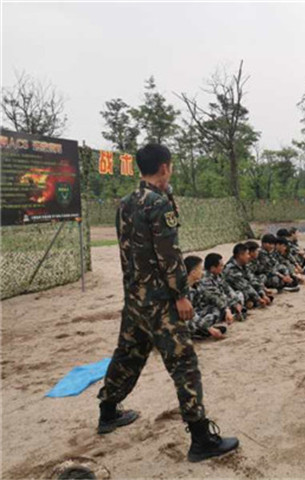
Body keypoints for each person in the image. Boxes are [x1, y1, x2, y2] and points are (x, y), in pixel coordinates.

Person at [96, 143, 238, 463]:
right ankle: (201, 438)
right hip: (160, 301)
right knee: (184, 363)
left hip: (135, 297)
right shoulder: (159, 204)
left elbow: (126, 253)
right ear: (164, 167)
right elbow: (170, 256)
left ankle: (107, 411)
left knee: (128, 355)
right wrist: (181, 295)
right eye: (170, 166)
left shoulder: (125, 203)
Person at [183, 256, 227, 340]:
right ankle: (201, 330)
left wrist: (225, 309)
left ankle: (202, 330)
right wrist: (209, 328)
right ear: (193, 272)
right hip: (184, 317)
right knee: (189, 324)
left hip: (195, 313)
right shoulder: (183, 290)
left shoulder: (197, 284)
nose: (203, 272)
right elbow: (191, 314)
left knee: (215, 309)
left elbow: (211, 296)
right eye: (200, 269)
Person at [224, 243, 269, 309]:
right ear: (240, 255)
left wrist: (262, 292)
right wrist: (259, 298)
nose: (249, 256)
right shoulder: (231, 269)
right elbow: (244, 286)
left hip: (242, 288)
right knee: (241, 294)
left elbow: (252, 279)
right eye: (247, 254)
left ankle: (251, 301)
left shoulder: (244, 264)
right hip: (233, 291)